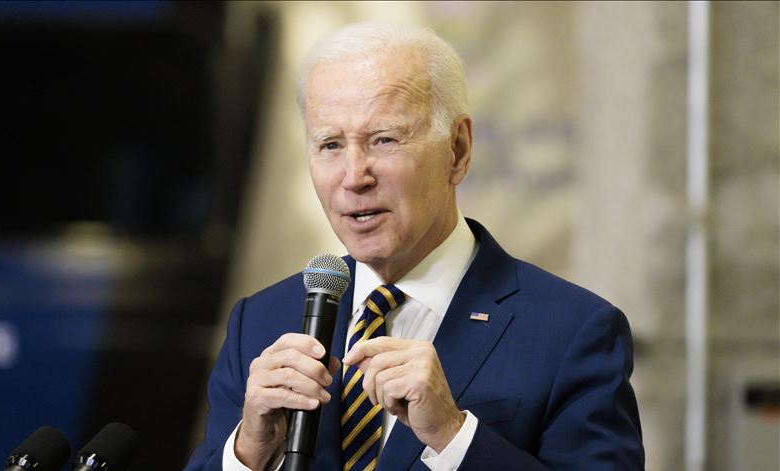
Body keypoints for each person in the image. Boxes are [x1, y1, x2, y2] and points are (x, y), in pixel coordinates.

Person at [185, 22, 644, 471]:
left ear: (458, 150)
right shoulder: (260, 322)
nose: (353, 177)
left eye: (383, 140)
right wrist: (247, 452)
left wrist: (452, 436)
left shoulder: (573, 332)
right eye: (329, 145)